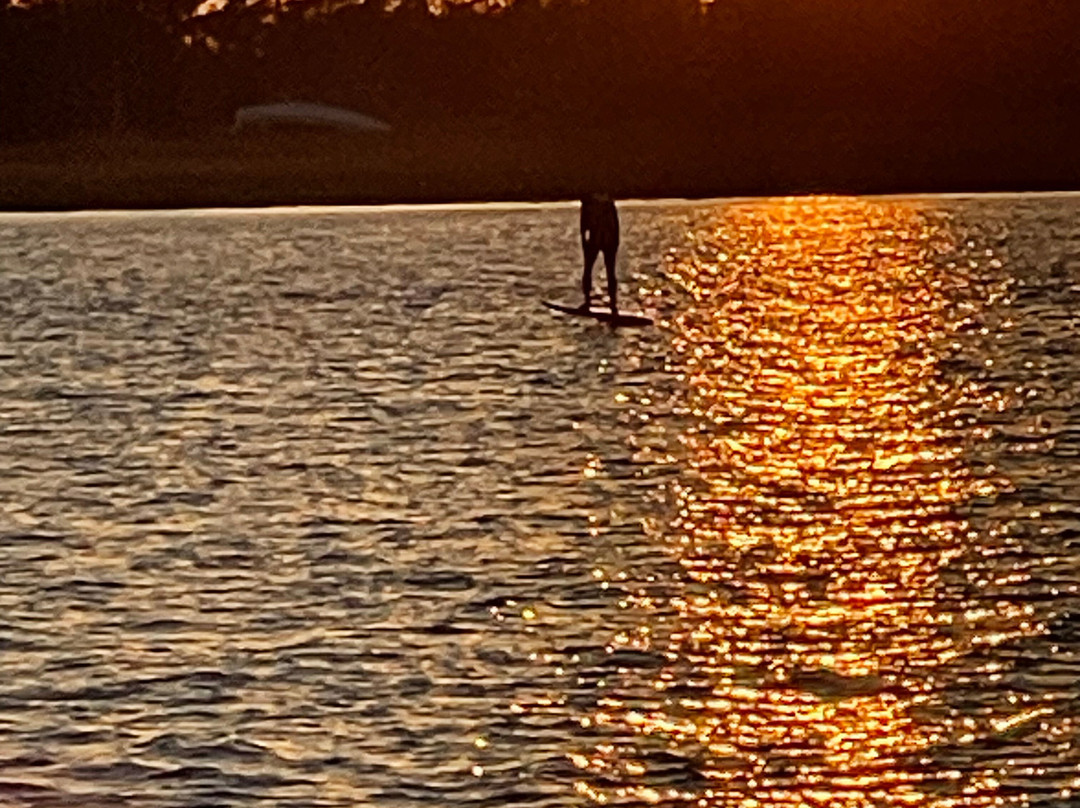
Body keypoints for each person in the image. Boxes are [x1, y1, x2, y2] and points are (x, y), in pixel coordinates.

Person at [580, 193, 620, 315]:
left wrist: (584, 241)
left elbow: (583, 225)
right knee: (607, 272)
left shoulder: (590, 203)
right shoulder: (607, 203)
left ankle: (591, 302)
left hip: (599, 238)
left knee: (591, 270)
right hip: (605, 238)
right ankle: (612, 304)